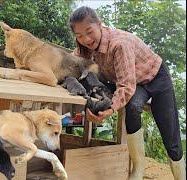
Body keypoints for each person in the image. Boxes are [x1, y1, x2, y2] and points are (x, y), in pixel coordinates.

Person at [69, 6, 185, 180]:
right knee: (133, 107)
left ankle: (180, 175)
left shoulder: (119, 44)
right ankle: (138, 169)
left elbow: (126, 86)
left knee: (169, 131)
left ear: (99, 25)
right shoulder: (83, 46)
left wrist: (110, 110)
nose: (85, 39)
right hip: (135, 82)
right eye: (79, 35)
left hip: (156, 77)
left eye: (89, 31)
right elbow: (70, 62)